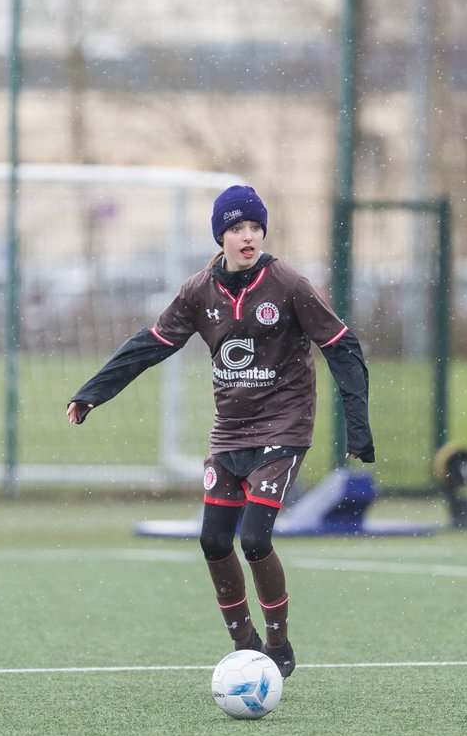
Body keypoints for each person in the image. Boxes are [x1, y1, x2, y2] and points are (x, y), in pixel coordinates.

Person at [67, 184, 373, 679]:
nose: (248, 236)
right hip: (230, 432)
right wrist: (92, 392)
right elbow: (152, 343)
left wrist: (357, 427)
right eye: (237, 228)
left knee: (254, 538)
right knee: (213, 541)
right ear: (221, 237)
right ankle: (244, 645)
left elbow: (342, 346)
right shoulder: (197, 291)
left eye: (255, 227)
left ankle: (278, 643)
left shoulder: (288, 284)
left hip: (284, 426)